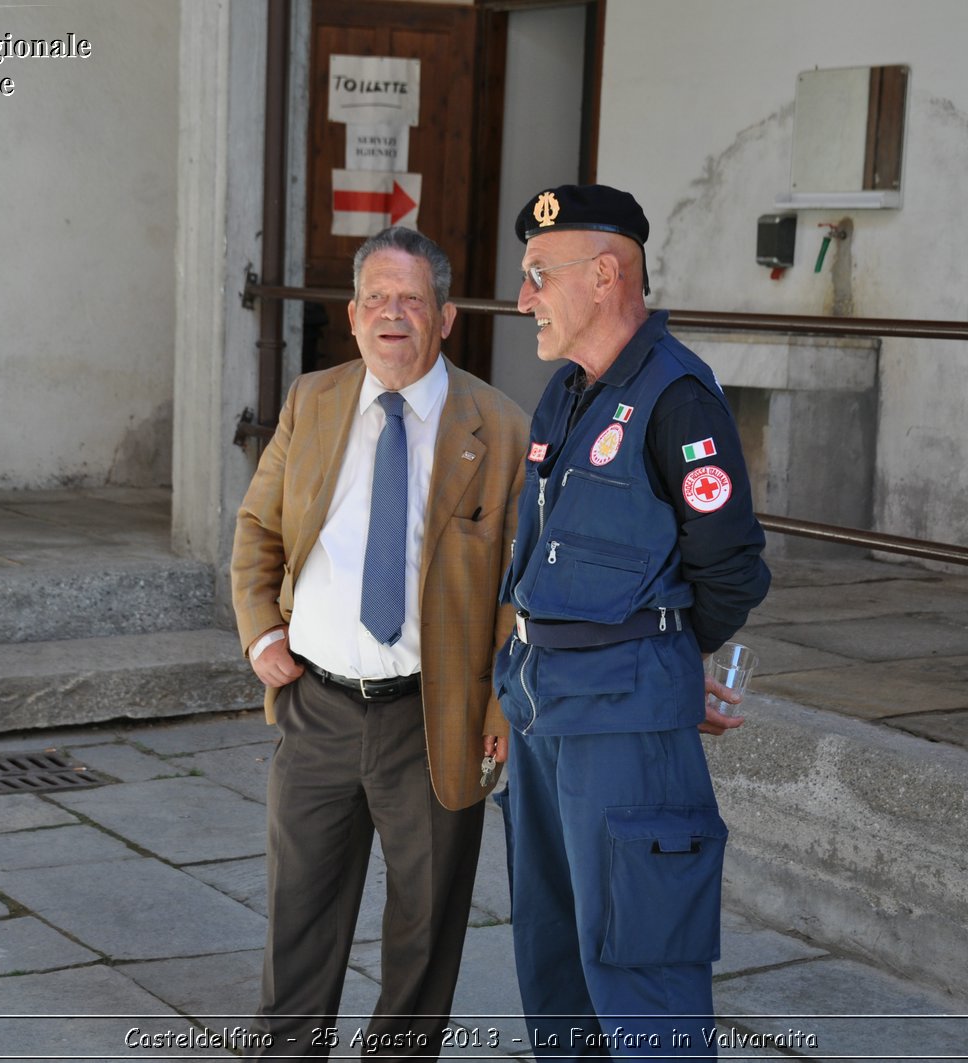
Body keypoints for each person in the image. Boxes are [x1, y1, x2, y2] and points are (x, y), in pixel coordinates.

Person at [231, 225, 528, 1059]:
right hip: (317, 710)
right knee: (298, 923)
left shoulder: (500, 429)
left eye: (411, 300)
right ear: (353, 316)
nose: (391, 314)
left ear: (446, 317)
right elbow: (257, 526)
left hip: (435, 717)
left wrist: (499, 701)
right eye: (375, 299)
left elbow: (519, 587)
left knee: (425, 933)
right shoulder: (313, 400)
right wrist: (261, 634)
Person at [493, 184, 771, 1058]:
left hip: (622, 724)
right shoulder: (568, 392)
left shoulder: (678, 398)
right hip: (546, 719)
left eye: (540, 274)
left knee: (641, 975)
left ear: (606, 273)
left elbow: (730, 568)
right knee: (556, 963)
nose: (525, 295)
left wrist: (668, 665)